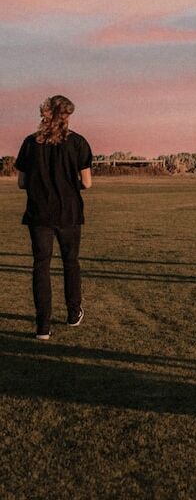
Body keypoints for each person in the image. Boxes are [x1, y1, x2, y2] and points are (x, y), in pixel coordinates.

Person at [14, 95, 93, 340]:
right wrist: (68, 185)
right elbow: (87, 183)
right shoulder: (78, 142)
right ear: (67, 116)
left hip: (39, 213)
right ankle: (72, 313)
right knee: (70, 262)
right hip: (68, 212)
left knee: (41, 265)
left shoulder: (30, 142)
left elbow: (21, 182)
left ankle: (43, 326)